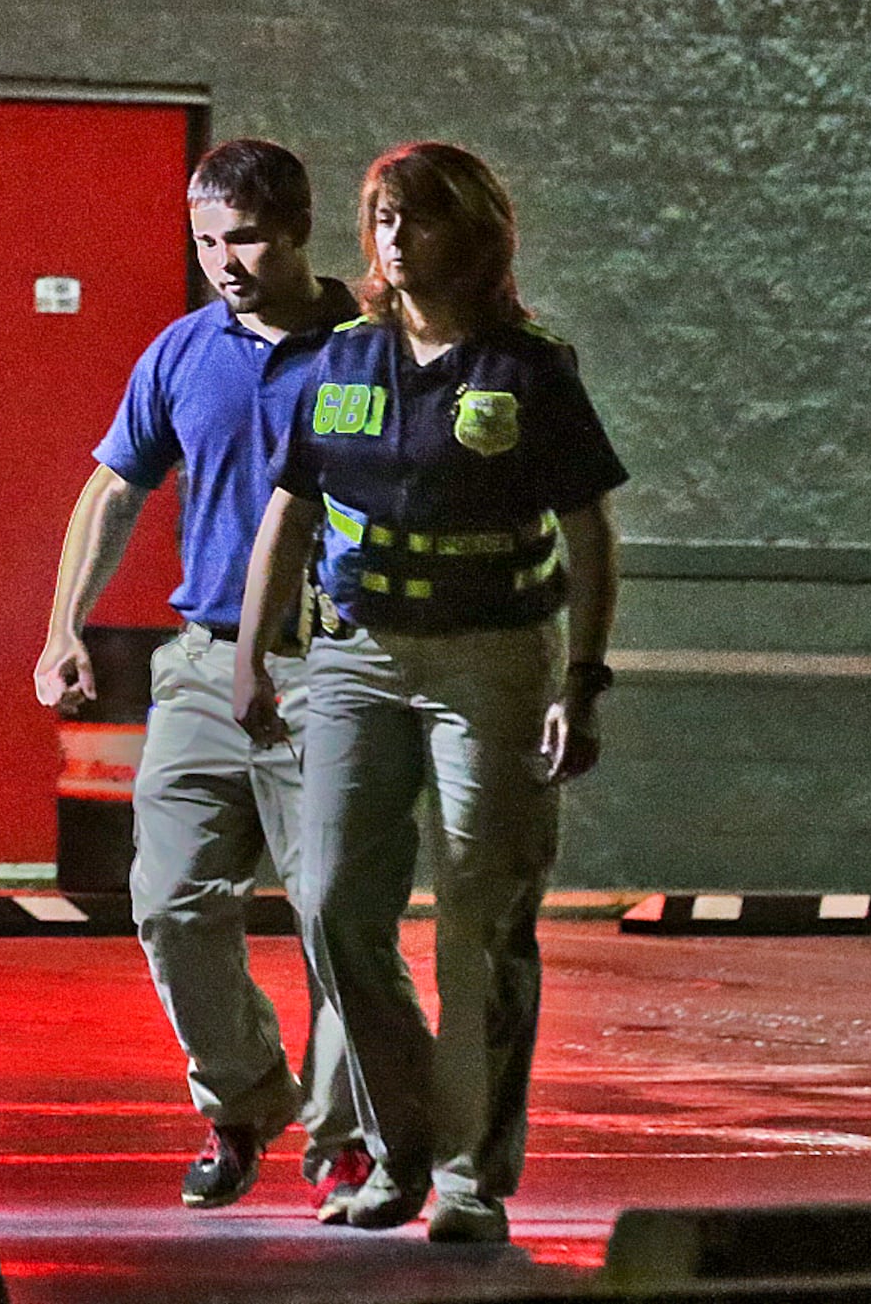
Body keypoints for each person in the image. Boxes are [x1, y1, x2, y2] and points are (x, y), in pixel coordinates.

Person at [235, 142, 623, 1247]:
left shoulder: (529, 369)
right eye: (382, 218)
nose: (396, 239)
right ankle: (395, 1147)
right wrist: (250, 652)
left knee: (480, 920)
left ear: (475, 233)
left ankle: (468, 1176)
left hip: (492, 661)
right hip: (356, 657)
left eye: (418, 218)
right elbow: (290, 512)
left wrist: (581, 678)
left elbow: (590, 533)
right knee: (333, 908)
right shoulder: (344, 357)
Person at [34, 139, 390, 1218]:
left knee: (335, 911)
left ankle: (350, 1136)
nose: (222, 260)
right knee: (170, 899)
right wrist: (63, 629)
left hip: (332, 665)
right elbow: (111, 490)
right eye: (204, 240)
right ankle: (242, 1097)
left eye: (241, 236)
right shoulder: (185, 350)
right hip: (203, 662)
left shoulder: (371, 350)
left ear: (295, 230)